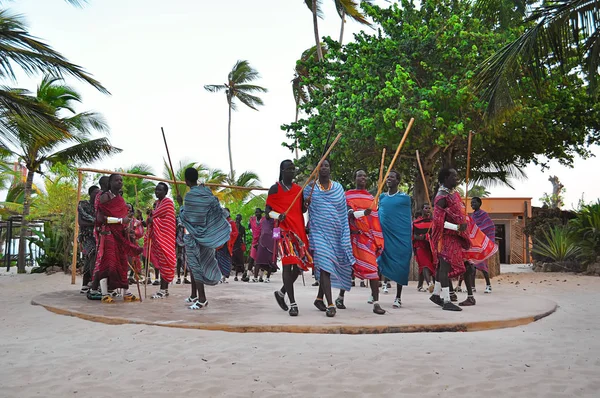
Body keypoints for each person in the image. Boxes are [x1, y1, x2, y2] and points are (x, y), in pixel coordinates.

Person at [304, 159, 354, 318]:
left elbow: (342, 212)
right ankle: (330, 304)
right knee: (325, 265)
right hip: (318, 233)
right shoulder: (310, 189)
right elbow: (303, 208)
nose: (324, 168)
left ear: (330, 169)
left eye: (326, 165)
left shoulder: (338, 188)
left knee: (329, 266)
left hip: (335, 233)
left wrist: (344, 234)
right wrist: (306, 203)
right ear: (316, 169)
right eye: (321, 166)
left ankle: (319, 298)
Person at [177, 168, 231, 309]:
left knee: (195, 266)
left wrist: (180, 205)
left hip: (195, 236)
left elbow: (185, 217)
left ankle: (202, 299)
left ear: (186, 181)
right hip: (205, 236)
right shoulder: (206, 192)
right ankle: (194, 295)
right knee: (194, 266)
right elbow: (214, 208)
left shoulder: (189, 197)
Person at [336, 169, 386, 315]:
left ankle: (376, 303)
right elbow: (346, 213)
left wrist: (377, 239)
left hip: (367, 239)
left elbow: (375, 220)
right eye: (359, 175)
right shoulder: (347, 196)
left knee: (373, 270)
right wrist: (360, 213)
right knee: (348, 269)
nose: (362, 177)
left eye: (364, 175)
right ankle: (340, 297)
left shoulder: (372, 198)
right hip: (351, 238)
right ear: (354, 178)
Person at [269, 160, 312, 316]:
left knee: (300, 266)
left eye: (293, 169)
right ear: (282, 170)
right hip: (283, 231)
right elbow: (268, 211)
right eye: (289, 169)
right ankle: (293, 304)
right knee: (288, 263)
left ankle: (281, 293)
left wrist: (306, 203)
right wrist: (278, 215)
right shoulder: (275, 189)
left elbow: (301, 210)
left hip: (298, 231)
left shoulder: (298, 190)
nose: (292, 172)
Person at [94, 174, 143, 303]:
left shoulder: (120, 200)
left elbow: (124, 218)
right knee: (108, 262)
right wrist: (121, 220)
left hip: (120, 234)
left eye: (121, 180)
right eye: (117, 180)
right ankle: (104, 293)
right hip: (109, 233)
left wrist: (126, 225)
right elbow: (100, 218)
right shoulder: (105, 197)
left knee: (122, 262)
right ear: (110, 183)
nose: (120, 182)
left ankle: (126, 292)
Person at [429, 168, 469, 311]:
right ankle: (446, 300)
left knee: (442, 267)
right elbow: (438, 221)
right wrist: (457, 227)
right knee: (444, 267)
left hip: (454, 236)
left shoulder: (454, 194)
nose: (457, 179)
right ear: (445, 178)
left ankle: (435, 294)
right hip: (444, 237)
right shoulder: (441, 197)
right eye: (454, 176)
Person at [377, 170, 412, 308]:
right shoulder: (382, 197)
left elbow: (405, 220)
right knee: (379, 263)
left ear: (398, 181)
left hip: (400, 238)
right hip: (384, 237)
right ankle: (375, 294)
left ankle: (398, 297)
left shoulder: (405, 198)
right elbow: (379, 214)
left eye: (392, 177)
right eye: (388, 177)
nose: (389, 179)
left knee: (401, 266)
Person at [144, 183, 177, 298]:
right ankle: (164, 290)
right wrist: (149, 220)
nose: (157, 192)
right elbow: (154, 218)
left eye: (160, 190)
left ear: (165, 192)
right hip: (159, 238)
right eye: (156, 190)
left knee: (166, 262)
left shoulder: (168, 203)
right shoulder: (157, 204)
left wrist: (151, 220)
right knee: (162, 263)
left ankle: (163, 290)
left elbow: (161, 220)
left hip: (166, 237)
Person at [470, 197, 495, 294]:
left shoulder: (484, 214)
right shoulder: (472, 216)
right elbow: (471, 228)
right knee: (472, 266)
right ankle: (472, 287)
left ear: (480, 204)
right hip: (474, 244)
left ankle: (488, 285)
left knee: (483, 266)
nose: (472, 204)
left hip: (482, 244)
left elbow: (489, 226)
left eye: (474, 202)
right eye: (471, 203)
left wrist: (479, 232)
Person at [78, 185, 100, 294]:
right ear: (90, 193)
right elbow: (81, 222)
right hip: (86, 236)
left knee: (90, 258)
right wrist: (96, 222)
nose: (97, 195)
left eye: (99, 193)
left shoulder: (99, 206)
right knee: (93, 254)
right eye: (95, 192)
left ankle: (86, 283)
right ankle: (91, 282)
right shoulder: (83, 205)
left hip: (98, 235)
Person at [413, 203, 435, 292]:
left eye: (429, 208)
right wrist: (421, 237)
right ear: (422, 209)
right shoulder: (416, 223)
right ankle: (430, 284)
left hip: (431, 247)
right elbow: (413, 236)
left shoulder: (433, 222)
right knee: (425, 265)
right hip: (420, 246)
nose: (428, 210)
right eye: (426, 208)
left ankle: (420, 286)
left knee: (432, 265)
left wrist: (430, 237)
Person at [216, 208, 238, 283]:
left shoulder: (231, 222)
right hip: (220, 245)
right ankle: (220, 277)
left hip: (227, 245)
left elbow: (235, 233)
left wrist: (228, 234)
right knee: (219, 261)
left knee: (226, 261)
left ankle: (224, 277)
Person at [254, 212, 277, 283]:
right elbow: (260, 232)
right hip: (261, 243)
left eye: (268, 212)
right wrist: (257, 242)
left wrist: (275, 245)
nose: (266, 214)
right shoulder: (263, 221)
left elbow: (276, 233)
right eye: (265, 212)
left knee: (269, 261)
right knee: (258, 260)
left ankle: (267, 277)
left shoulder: (275, 222)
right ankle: (255, 277)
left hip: (270, 244)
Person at [126, 203, 145, 283]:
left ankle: (131, 276)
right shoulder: (122, 219)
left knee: (134, 259)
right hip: (124, 242)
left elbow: (140, 231)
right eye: (127, 209)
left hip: (133, 242)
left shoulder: (135, 221)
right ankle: (125, 276)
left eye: (130, 209)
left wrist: (134, 232)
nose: (129, 210)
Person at [244, 208, 263, 282]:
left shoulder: (264, 220)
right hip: (254, 241)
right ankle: (248, 276)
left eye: (258, 212)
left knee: (261, 259)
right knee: (251, 258)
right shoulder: (252, 220)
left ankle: (260, 276)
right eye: (255, 212)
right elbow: (249, 227)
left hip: (262, 242)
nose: (256, 214)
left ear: (261, 213)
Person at [175, 216, 190, 284]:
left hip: (187, 241)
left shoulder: (189, 218)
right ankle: (178, 278)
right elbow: (175, 229)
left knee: (186, 259)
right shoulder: (178, 218)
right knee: (179, 259)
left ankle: (185, 278)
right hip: (179, 241)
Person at [232, 214, 246, 281]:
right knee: (233, 260)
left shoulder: (242, 228)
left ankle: (238, 275)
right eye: (237, 219)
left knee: (239, 261)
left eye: (239, 219)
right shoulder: (232, 227)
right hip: (233, 245)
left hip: (239, 245)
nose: (237, 220)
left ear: (240, 219)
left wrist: (244, 244)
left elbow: (244, 238)